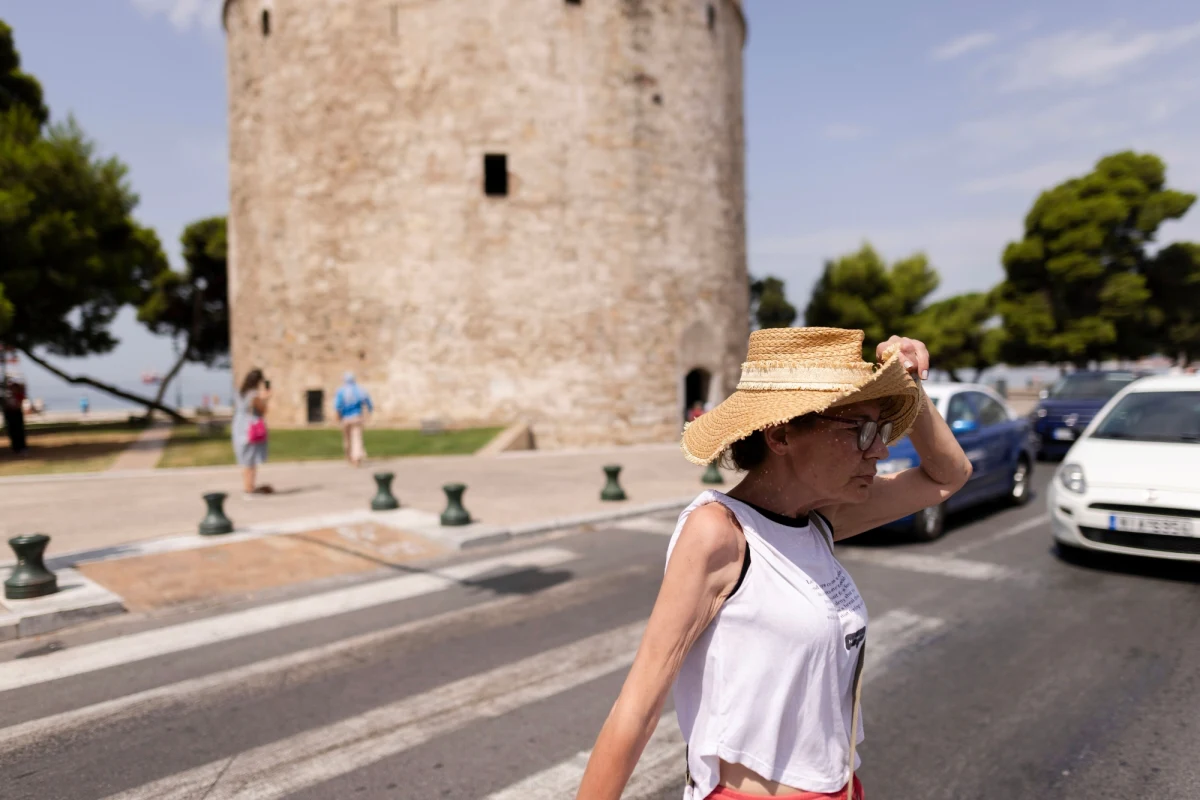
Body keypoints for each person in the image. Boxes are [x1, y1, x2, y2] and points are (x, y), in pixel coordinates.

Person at [576, 327, 972, 800]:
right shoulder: (719, 533)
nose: (881, 450)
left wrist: (911, 384)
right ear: (781, 434)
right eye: (861, 430)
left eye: (881, 430)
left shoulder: (817, 519)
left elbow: (950, 474)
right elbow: (637, 706)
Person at [232, 368, 273, 496]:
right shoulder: (253, 395)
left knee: (244, 459)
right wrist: (266, 398)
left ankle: (248, 486)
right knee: (251, 459)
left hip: (238, 426)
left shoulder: (240, 392)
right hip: (250, 428)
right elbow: (262, 410)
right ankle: (249, 488)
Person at [334, 372, 374, 467]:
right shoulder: (360, 390)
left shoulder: (341, 391)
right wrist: (369, 411)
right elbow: (368, 402)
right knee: (356, 438)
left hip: (346, 418)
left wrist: (337, 416)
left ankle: (349, 456)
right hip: (357, 417)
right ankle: (356, 457)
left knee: (347, 439)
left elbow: (337, 405)